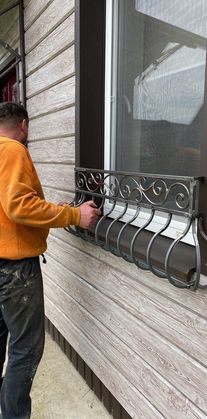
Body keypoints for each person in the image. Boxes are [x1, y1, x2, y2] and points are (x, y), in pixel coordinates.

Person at [0, 101, 101, 419]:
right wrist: (74, 214)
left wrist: (50, 208)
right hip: (15, 270)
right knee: (26, 348)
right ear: (24, 126)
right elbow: (18, 206)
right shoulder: (12, 150)